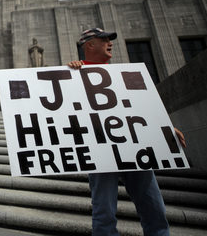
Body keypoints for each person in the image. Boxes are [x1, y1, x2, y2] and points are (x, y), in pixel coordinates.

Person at [67, 28, 185, 236]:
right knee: (104, 212)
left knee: (154, 209)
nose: (110, 43)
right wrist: (71, 73)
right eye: (104, 40)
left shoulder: (121, 74)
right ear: (90, 45)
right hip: (101, 149)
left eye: (110, 40)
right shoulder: (73, 73)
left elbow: (139, 107)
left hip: (134, 146)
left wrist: (166, 126)